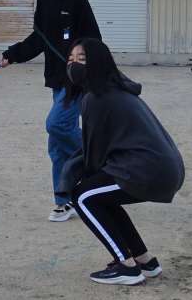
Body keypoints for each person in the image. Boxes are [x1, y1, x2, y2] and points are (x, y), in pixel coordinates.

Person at [61, 38, 184, 285]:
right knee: (99, 197)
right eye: (71, 59)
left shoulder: (98, 97)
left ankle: (126, 267)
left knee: (83, 197)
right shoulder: (116, 88)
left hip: (148, 171)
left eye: (82, 59)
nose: (74, 65)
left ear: (98, 62)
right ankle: (145, 261)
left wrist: (71, 178)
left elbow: (94, 152)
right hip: (161, 168)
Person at [1, 0, 101, 221]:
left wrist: (83, 65)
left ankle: (98, 157)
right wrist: (12, 55)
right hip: (55, 78)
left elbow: (93, 39)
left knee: (56, 125)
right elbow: (39, 38)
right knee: (56, 145)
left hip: (76, 79)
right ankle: (65, 201)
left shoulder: (77, 0)